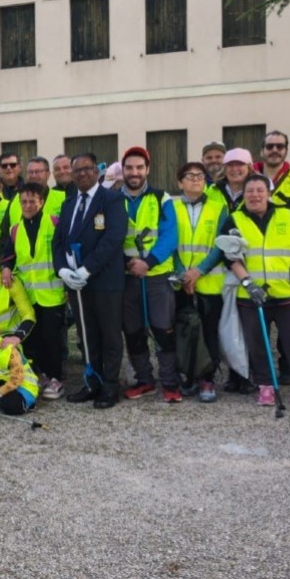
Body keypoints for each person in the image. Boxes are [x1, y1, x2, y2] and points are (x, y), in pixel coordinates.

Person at [221, 174, 290, 408]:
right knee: (257, 341)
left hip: (288, 293)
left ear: (268, 194)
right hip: (252, 294)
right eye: (250, 191)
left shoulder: (286, 216)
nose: (255, 195)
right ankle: (265, 386)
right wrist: (247, 283)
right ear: (244, 195)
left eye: (260, 190)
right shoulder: (234, 220)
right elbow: (230, 258)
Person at [52, 152, 129, 409]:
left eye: (87, 169)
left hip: (104, 281)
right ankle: (92, 380)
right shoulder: (69, 203)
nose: (82, 174)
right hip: (76, 283)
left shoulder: (112, 199)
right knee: (87, 335)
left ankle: (109, 385)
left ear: (96, 171)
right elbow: (59, 241)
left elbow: (113, 238)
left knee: (109, 336)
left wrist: (87, 269)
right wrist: (62, 270)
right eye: (78, 170)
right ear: (72, 175)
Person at [119, 146, 182, 403]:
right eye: (129, 167)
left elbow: (170, 235)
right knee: (133, 331)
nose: (134, 172)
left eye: (139, 168)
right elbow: (108, 237)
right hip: (126, 276)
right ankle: (145, 380)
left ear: (147, 169)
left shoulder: (161, 198)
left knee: (163, 330)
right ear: (123, 170)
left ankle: (170, 382)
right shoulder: (113, 198)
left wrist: (149, 261)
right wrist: (126, 263)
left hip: (156, 276)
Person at [0, 182, 68, 400]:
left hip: (51, 293)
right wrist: (5, 268)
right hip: (28, 296)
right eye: (23, 202)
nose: (27, 205)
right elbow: (8, 256)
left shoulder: (54, 223)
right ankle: (41, 375)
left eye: (32, 201)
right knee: (33, 338)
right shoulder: (16, 229)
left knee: (52, 337)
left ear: (41, 202)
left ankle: (56, 378)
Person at [171, 162, 230, 402]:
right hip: (179, 282)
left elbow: (221, 245)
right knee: (183, 330)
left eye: (199, 175)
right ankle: (186, 374)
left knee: (208, 331)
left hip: (209, 282)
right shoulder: (171, 207)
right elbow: (170, 243)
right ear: (179, 182)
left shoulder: (219, 207)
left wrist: (199, 271)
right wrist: (182, 272)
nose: (195, 179)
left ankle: (207, 378)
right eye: (189, 175)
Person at [211, 148, 252, 215]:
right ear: (224, 168)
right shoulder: (212, 190)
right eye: (230, 165)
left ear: (249, 167)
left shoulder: (257, 192)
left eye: (240, 164)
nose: (234, 169)